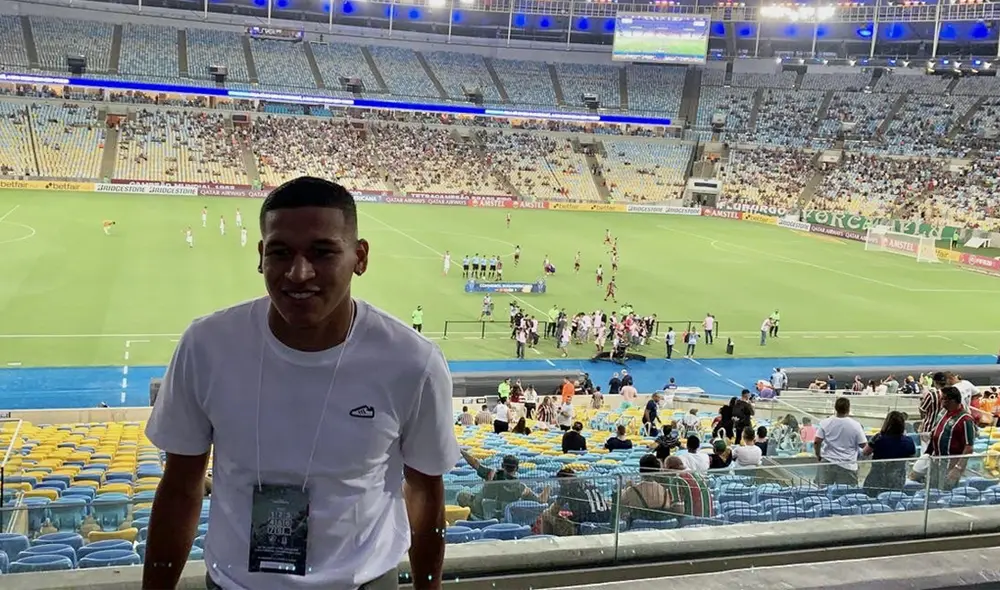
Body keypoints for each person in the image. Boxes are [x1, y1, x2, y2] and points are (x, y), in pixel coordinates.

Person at [144, 177, 459, 590]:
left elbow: (425, 493)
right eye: (280, 252)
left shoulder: (413, 362)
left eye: (322, 252)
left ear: (359, 257)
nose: (298, 272)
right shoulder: (206, 346)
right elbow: (181, 487)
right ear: (261, 256)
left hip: (363, 583)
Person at [924, 386, 976, 491]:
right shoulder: (944, 413)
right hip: (936, 461)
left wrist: (958, 468)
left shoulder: (966, 420)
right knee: (932, 492)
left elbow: (969, 447)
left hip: (950, 464)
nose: (940, 401)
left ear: (952, 400)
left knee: (945, 492)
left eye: (943, 398)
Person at [814, 397, 867, 486]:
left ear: (835, 408)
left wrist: (818, 455)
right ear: (848, 409)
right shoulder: (856, 425)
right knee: (846, 494)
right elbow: (863, 445)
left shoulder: (825, 422)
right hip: (848, 465)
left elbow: (817, 442)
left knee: (822, 493)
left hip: (828, 462)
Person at [862, 411, 917, 497]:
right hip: (897, 482)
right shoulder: (908, 441)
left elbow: (865, 452)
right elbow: (913, 457)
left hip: (876, 480)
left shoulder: (878, 438)